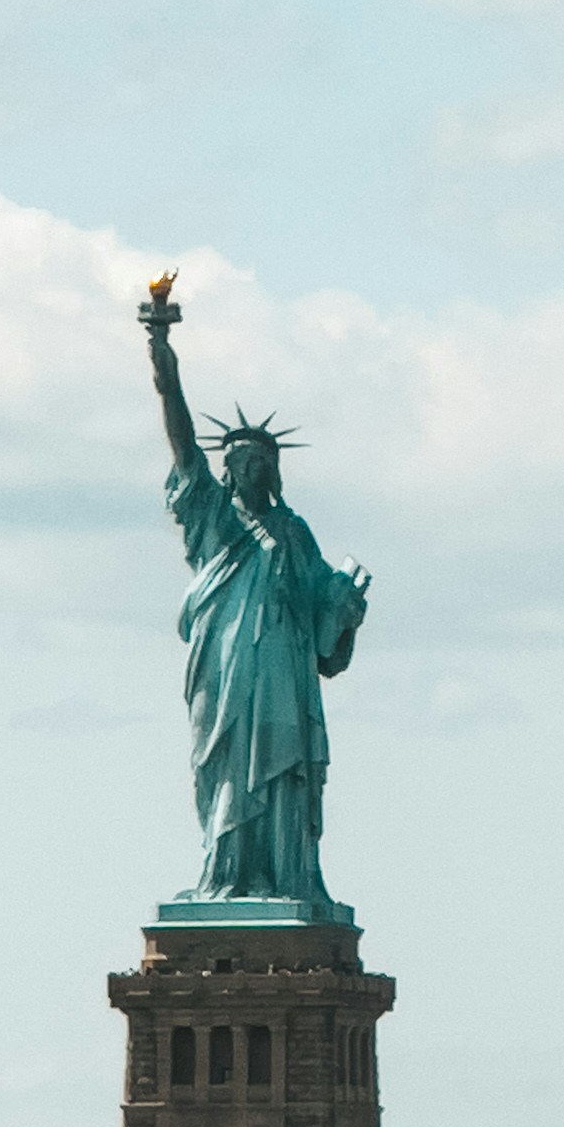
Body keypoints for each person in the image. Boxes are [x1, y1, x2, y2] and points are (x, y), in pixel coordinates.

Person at [142, 292, 370, 908]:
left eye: (258, 463)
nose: (247, 472)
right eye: (237, 463)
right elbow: (182, 441)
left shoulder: (294, 533)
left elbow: (326, 621)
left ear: (273, 470)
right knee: (222, 767)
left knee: (285, 770)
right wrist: (163, 354)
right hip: (224, 668)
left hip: (282, 671)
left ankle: (284, 878)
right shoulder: (213, 519)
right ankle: (228, 875)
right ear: (226, 471)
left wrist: (346, 607)